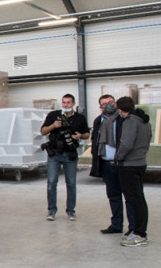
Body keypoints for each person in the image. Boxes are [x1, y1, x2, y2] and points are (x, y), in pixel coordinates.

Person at [40, 93, 90, 221]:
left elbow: (87, 134)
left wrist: (80, 136)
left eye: (68, 103)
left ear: (73, 104)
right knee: (51, 183)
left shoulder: (80, 118)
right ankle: (51, 210)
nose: (66, 105)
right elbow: (43, 131)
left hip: (70, 153)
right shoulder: (53, 115)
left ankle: (71, 211)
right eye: (63, 102)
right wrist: (53, 126)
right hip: (55, 153)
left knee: (71, 183)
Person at [90, 95, 134, 234]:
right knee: (113, 196)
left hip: (123, 163)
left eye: (110, 102)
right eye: (104, 104)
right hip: (107, 164)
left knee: (129, 197)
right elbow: (95, 141)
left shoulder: (124, 119)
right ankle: (116, 225)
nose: (107, 105)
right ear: (100, 107)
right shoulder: (98, 121)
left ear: (115, 104)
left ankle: (133, 227)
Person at [115, 97, 152, 247]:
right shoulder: (144, 121)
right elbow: (147, 140)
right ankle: (139, 231)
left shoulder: (130, 121)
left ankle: (139, 234)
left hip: (129, 165)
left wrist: (118, 157)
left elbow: (126, 143)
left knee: (133, 199)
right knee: (139, 198)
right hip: (140, 163)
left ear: (121, 109)